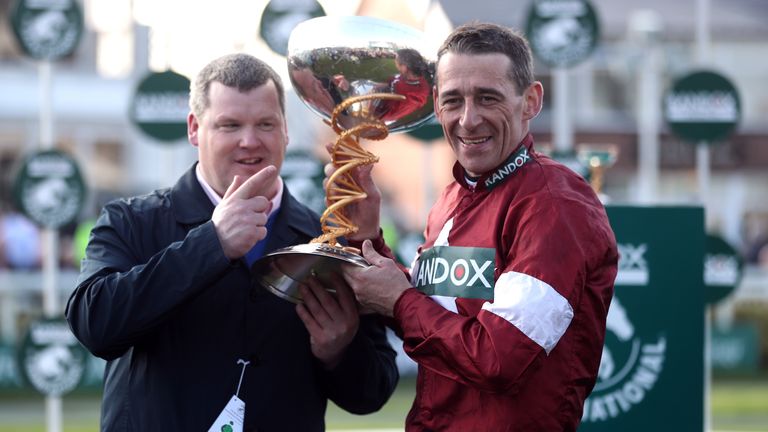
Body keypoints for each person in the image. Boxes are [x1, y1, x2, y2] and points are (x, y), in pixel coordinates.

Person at [65, 53, 398, 431]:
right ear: (194, 129)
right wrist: (212, 243)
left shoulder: (325, 237)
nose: (249, 141)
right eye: (229, 125)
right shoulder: (132, 221)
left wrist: (339, 352)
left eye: (265, 124)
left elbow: (373, 393)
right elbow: (94, 325)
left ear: (286, 131)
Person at [337, 23, 619, 431]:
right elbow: (431, 317)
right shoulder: (453, 195)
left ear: (531, 101)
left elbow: (498, 358)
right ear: (436, 105)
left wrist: (398, 300)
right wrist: (367, 240)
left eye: (488, 98)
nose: (468, 120)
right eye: (453, 100)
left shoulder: (556, 207)